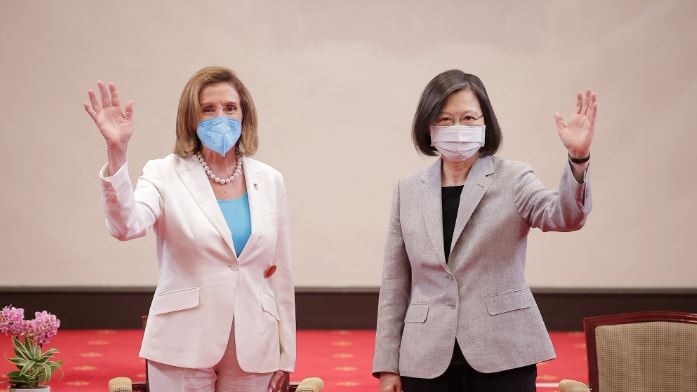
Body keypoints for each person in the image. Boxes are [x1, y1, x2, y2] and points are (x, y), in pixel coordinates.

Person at [372, 70, 597, 392]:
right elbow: (395, 282)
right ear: (428, 127)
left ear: (485, 122)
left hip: (502, 348)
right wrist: (387, 366)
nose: (457, 128)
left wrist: (578, 158)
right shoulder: (408, 189)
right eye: (445, 119)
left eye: (468, 117)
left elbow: (565, 216)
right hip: (424, 354)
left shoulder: (514, 178)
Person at [84, 66, 295, 392]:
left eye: (230, 107)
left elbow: (280, 273)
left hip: (255, 343)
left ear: (244, 114)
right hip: (181, 340)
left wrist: (286, 353)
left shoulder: (270, 180)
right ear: (190, 119)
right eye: (207, 109)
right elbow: (127, 226)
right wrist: (117, 152)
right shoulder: (164, 172)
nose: (220, 116)